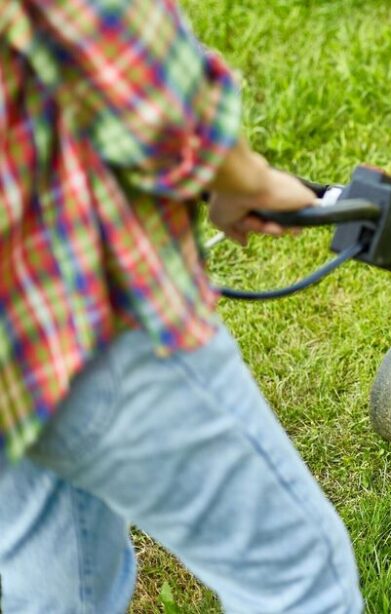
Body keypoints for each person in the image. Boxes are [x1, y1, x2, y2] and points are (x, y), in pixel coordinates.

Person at [0, 1, 362, 611]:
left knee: (64, 590)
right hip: (81, 315)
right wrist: (239, 176)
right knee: (300, 577)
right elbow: (124, 46)